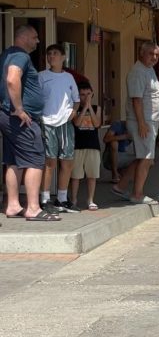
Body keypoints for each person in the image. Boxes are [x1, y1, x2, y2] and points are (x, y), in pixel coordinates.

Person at [0, 24, 60, 221]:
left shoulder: (7, 54)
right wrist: (19, 108)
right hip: (19, 118)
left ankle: (13, 205)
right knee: (35, 159)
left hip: (8, 116)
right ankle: (33, 208)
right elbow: (12, 79)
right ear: (23, 37)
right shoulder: (20, 56)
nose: (38, 41)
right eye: (34, 37)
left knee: (14, 161)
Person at [112, 41, 159, 204]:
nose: (154, 57)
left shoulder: (149, 69)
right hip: (143, 121)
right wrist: (141, 123)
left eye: (156, 54)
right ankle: (137, 194)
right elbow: (136, 100)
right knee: (146, 158)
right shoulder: (138, 71)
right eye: (151, 54)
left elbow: (150, 95)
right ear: (141, 53)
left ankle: (121, 186)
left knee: (145, 158)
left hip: (149, 120)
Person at [39, 43, 80, 212]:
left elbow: (76, 99)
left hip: (65, 122)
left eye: (55, 53)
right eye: (49, 54)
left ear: (63, 57)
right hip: (47, 121)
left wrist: (74, 112)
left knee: (67, 160)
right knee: (50, 161)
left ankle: (62, 198)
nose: (51, 57)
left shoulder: (69, 77)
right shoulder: (41, 76)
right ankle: (45, 198)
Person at [70, 81, 101, 211]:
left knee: (92, 175)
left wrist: (89, 107)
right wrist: (84, 108)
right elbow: (77, 123)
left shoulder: (97, 108)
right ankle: (73, 199)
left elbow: (97, 124)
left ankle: (90, 199)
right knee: (76, 175)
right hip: (78, 146)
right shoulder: (75, 108)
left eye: (88, 94)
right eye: (82, 95)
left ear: (92, 94)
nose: (85, 97)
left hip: (93, 145)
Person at [103, 119, 133, 183]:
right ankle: (115, 173)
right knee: (114, 143)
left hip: (126, 156)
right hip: (110, 158)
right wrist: (124, 136)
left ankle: (123, 172)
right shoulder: (117, 124)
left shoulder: (136, 128)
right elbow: (105, 139)